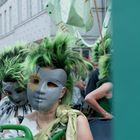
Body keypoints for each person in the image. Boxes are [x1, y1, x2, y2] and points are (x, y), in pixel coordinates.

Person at [6, 33, 93, 140]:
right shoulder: (17, 125)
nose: (40, 90)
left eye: (51, 84)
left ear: (62, 92)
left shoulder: (75, 122)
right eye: (35, 81)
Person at [0, 44, 32, 125]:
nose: (16, 97)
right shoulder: (3, 105)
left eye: (20, 90)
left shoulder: (40, 107)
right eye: (8, 92)